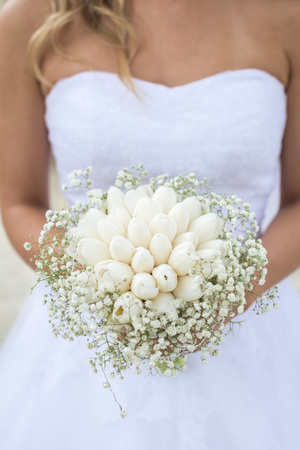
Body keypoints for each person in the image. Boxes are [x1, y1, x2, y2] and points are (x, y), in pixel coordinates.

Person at [0, 0, 300, 449]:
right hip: (90, 343)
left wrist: (232, 294)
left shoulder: (287, 16)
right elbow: (17, 202)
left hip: (249, 332)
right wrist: (103, 291)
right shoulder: (32, 20)